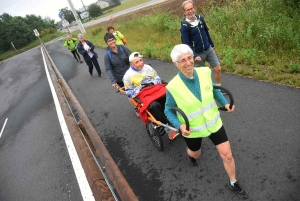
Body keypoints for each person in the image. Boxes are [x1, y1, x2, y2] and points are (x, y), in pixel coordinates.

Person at [164, 44, 248, 199]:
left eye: (190, 58)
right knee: (196, 154)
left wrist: (225, 103)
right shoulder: (172, 87)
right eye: (183, 60)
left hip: (214, 122)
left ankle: (233, 182)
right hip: (193, 129)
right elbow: (168, 110)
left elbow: (213, 91)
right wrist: (180, 126)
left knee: (227, 155)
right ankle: (191, 156)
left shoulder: (204, 71)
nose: (188, 63)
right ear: (176, 64)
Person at [123, 52, 178, 140]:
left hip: (156, 89)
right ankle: (167, 127)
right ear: (131, 64)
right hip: (144, 94)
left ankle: (177, 115)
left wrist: (153, 83)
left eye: (141, 60)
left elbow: (158, 78)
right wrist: (141, 87)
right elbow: (129, 93)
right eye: (137, 62)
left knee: (170, 94)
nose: (140, 63)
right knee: (154, 105)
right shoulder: (127, 76)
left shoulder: (148, 68)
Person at [180, 0, 222, 87]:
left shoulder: (200, 18)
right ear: (184, 12)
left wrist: (212, 44)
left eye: (191, 8)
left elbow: (206, 32)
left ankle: (218, 88)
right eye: (188, 10)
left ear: (194, 8)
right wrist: (194, 55)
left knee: (218, 68)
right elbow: (186, 44)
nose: (190, 11)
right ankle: (205, 89)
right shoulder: (185, 26)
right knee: (201, 75)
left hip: (208, 49)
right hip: (197, 54)